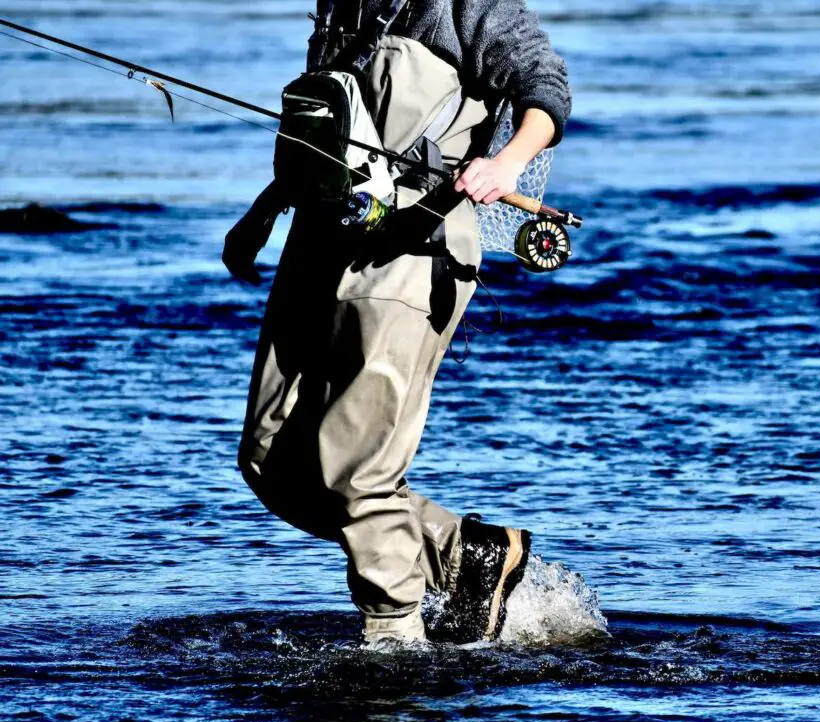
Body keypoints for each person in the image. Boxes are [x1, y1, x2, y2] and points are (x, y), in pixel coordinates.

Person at [231, 0, 571, 644]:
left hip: (418, 243)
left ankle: (393, 647)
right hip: (321, 235)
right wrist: (265, 209)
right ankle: (464, 555)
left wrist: (506, 165)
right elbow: (325, 131)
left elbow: (544, 86)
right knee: (270, 457)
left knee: (358, 472)